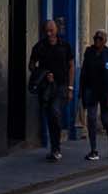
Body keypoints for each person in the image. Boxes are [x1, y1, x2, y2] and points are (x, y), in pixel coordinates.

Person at [27, 19, 74, 162]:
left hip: (61, 86)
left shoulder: (65, 46)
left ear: (56, 30)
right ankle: (54, 147)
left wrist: (70, 88)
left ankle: (56, 148)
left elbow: (71, 66)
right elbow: (31, 65)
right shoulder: (39, 47)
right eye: (46, 31)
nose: (49, 34)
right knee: (51, 116)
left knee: (55, 112)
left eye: (51, 30)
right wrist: (43, 73)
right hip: (46, 87)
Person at [78, 29, 108, 161]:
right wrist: (81, 91)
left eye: (100, 38)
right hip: (91, 90)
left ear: (105, 40)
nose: (97, 40)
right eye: (95, 38)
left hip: (106, 92)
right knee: (91, 118)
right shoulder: (89, 52)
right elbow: (84, 72)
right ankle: (93, 150)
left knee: (105, 120)